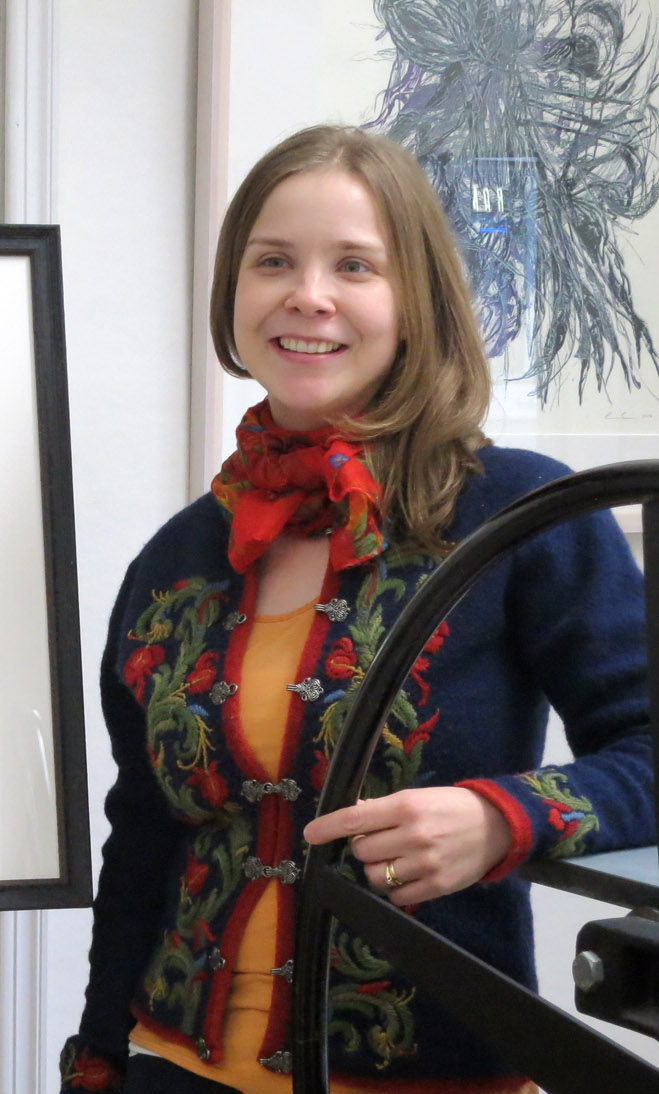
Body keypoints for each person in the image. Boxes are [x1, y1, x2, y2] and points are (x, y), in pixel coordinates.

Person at [59, 125, 654, 1093]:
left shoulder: (521, 515)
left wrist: (501, 816)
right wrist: (94, 1060)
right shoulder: (176, 557)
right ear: (231, 292)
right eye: (272, 262)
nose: (308, 294)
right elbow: (142, 835)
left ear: (414, 298)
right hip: (170, 1069)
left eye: (353, 265)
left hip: (435, 1076)